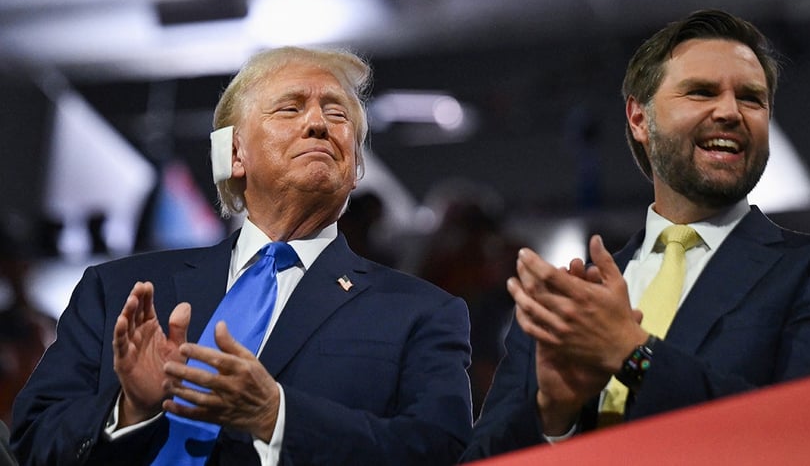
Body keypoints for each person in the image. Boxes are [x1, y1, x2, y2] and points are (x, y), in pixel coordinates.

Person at [12, 46, 472, 466]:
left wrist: (280, 419)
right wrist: (129, 409)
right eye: (291, 108)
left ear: (355, 168)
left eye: (337, 114)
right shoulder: (116, 290)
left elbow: (439, 451)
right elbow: (32, 443)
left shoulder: (421, 313)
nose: (318, 123)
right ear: (235, 155)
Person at [461, 9, 810, 461]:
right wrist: (553, 414)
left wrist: (633, 356)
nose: (729, 111)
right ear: (639, 119)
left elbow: (809, 439)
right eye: (701, 92)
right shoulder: (569, 307)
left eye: (751, 98)